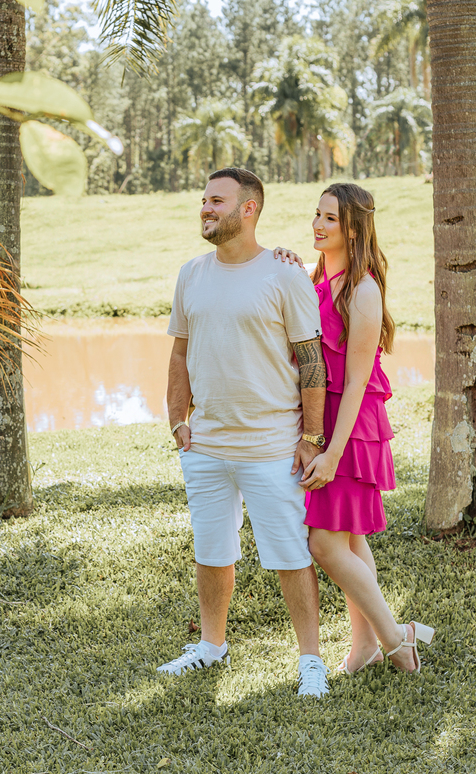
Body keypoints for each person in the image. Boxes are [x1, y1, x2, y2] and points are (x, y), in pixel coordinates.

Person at [158, 167, 333, 697]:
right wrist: (176, 418)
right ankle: (211, 647)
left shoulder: (285, 276)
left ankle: (311, 662)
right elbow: (180, 350)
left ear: (249, 208)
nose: (206, 208)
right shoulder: (191, 273)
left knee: (289, 554)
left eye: (217, 200)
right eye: (204, 200)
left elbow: (312, 364)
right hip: (207, 445)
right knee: (212, 550)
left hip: (272, 446)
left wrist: (313, 437)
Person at [290, 183, 435, 674]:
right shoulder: (317, 280)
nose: (318, 224)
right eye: (316, 215)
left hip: (350, 427)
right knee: (351, 541)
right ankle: (365, 647)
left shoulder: (363, 289)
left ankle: (397, 641)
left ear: (353, 227)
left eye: (330, 218)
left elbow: (355, 380)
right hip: (324, 421)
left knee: (324, 545)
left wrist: (330, 452)